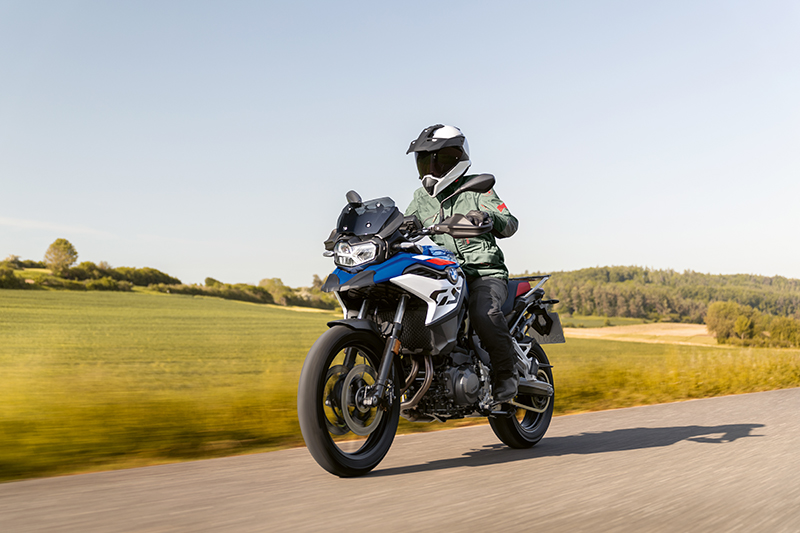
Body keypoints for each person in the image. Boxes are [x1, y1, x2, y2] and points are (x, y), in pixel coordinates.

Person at [405, 124, 520, 402]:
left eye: (438, 159)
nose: (431, 167)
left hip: (482, 273)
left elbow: (510, 223)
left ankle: (506, 374)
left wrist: (489, 220)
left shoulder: (478, 188)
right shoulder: (421, 198)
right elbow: (404, 224)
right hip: (442, 273)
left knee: (484, 313)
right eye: (424, 160)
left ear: (455, 159)